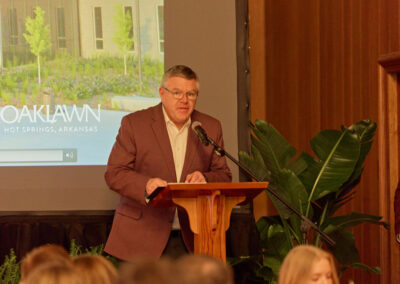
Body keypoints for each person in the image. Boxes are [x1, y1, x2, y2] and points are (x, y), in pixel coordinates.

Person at [104, 65, 232, 261]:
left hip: (193, 237)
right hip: (142, 236)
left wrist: (205, 178)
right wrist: (145, 185)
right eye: (177, 93)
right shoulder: (134, 124)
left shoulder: (209, 127)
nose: (184, 100)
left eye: (191, 94)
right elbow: (115, 173)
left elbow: (224, 175)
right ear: (162, 93)